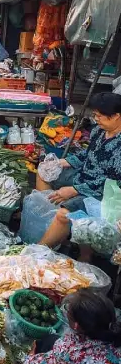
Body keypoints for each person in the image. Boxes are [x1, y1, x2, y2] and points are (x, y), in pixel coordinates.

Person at [38, 92, 121, 249]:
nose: (96, 119)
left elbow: (112, 183)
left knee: (64, 214)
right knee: (44, 171)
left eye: (99, 116)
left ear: (116, 116)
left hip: (103, 193)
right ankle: (48, 220)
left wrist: (74, 190)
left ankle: (39, 249)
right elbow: (87, 154)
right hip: (83, 177)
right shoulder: (99, 131)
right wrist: (63, 162)